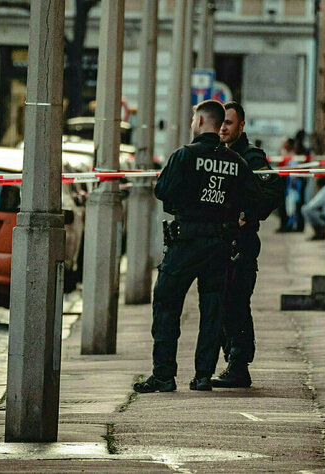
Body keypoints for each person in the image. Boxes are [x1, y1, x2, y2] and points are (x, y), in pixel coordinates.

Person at [133, 100, 264, 393]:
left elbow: (162, 191)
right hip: (220, 243)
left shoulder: (184, 156)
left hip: (186, 242)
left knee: (167, 303)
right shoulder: (236, 162)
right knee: (212, 309)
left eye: (194, 119)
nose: (192, 124)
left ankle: (164, 375)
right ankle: (203, 375)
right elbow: (255, 199)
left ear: (202, 122)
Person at [211, 101, 279, 388]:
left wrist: (247, 213)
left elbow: (271, 191)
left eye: (229, 123)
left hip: (242, 242)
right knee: (220, 302)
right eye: (221, 123)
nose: (224, 128)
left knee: (236, 301)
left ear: (241, 126)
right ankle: (232, 360)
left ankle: (239, 364)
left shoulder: (251, 157)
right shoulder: (213, 155)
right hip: (217, 242)